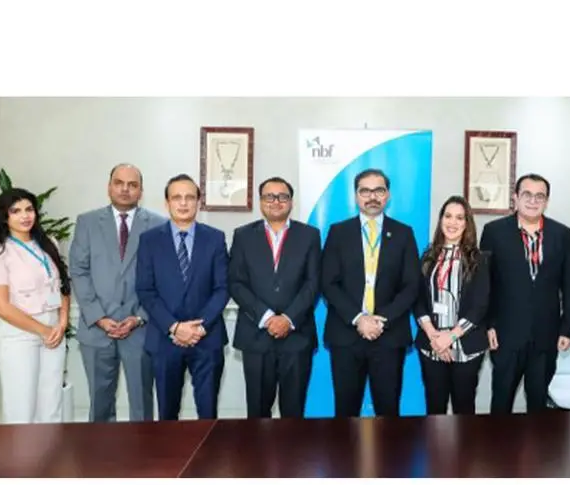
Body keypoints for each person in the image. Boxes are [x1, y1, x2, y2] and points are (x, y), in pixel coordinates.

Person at [69, 163, 166, 422]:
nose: (125, 189)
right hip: (96, 329)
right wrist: (98, 317)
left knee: (142, 406)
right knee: (100, 405)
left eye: (132, 185)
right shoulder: (87, 222)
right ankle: (101, 449)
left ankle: (143, 448)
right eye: (119, 183)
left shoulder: (159, 225)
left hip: (141, 330)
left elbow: (163, 278)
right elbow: (78, 271)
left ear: (141, 191)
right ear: (109, 187)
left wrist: (140, 317)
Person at [321, 168, 420, 417]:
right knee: (345, 413)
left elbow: (411, 285)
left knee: (388, 413)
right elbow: (328, 282)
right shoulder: (338, 232)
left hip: (389, 336)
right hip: (346, 335)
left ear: (388, 195)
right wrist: (359, 319)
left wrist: (380, 320)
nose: (372, 197)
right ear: (356, 196)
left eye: (379, 190)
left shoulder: (404, 233)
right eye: (365, 191)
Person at [135, 174, 230, 420]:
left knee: (208, 414)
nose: (184, 203)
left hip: (207, 339)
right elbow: (145, 290)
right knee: (167, 415)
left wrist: (199, 328)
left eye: (190, 197)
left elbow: (222, 288)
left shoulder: (215, 238)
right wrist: (175, 327)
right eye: (177, 197)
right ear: (167, 203)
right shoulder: (149, 240)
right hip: (165, 340)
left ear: (199, 201)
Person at [0, 188, 72, 424]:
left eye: (29, 209)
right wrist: (42, 330)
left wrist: (62, 322)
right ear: (4, 216)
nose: (25, 216)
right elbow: (0, 306)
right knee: (21, 410)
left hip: (54, 331)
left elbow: (63, 286)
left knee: (51, 406)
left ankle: (49, 449)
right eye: (15, 211)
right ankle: (21, 451)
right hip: (19, 335)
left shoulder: (49, 244)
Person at [480, 173, 570, 414]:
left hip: (546, 335)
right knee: (501, 403)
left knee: (539, 406)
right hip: (506, 336)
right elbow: (484, 283)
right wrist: (488, 325)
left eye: (540, 196)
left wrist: (567, 327)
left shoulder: (562, 234)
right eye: (527, 194)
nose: (533, 201)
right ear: (515, 197)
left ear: (547, 201)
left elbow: (569, 284)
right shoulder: (494, 231)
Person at [229, 177, 322, 418]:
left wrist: (288, 318)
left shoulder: (309, 235)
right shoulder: (243, 235)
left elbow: (313, 283)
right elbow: (236, 283)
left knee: (294, 413)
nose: (276, 201)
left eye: (283, 196)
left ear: (291, 202)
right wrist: (267, 317)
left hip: (297, 336)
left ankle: (292, 447)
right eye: (269, 196)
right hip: (256, 335)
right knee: (257, 412)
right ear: (261, 201)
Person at [414, 195, 490, 415]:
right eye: (448, 216)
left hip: (466, 346)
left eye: (459, 217)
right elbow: (417, 299)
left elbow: (480, 305)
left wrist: (450, 337)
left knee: (463, 410)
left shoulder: (479, 259)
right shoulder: (428, 256)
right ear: (441, 220)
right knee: (435, 409)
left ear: (467, 223)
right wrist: (434, 336)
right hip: (432, 345)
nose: (452, 222)